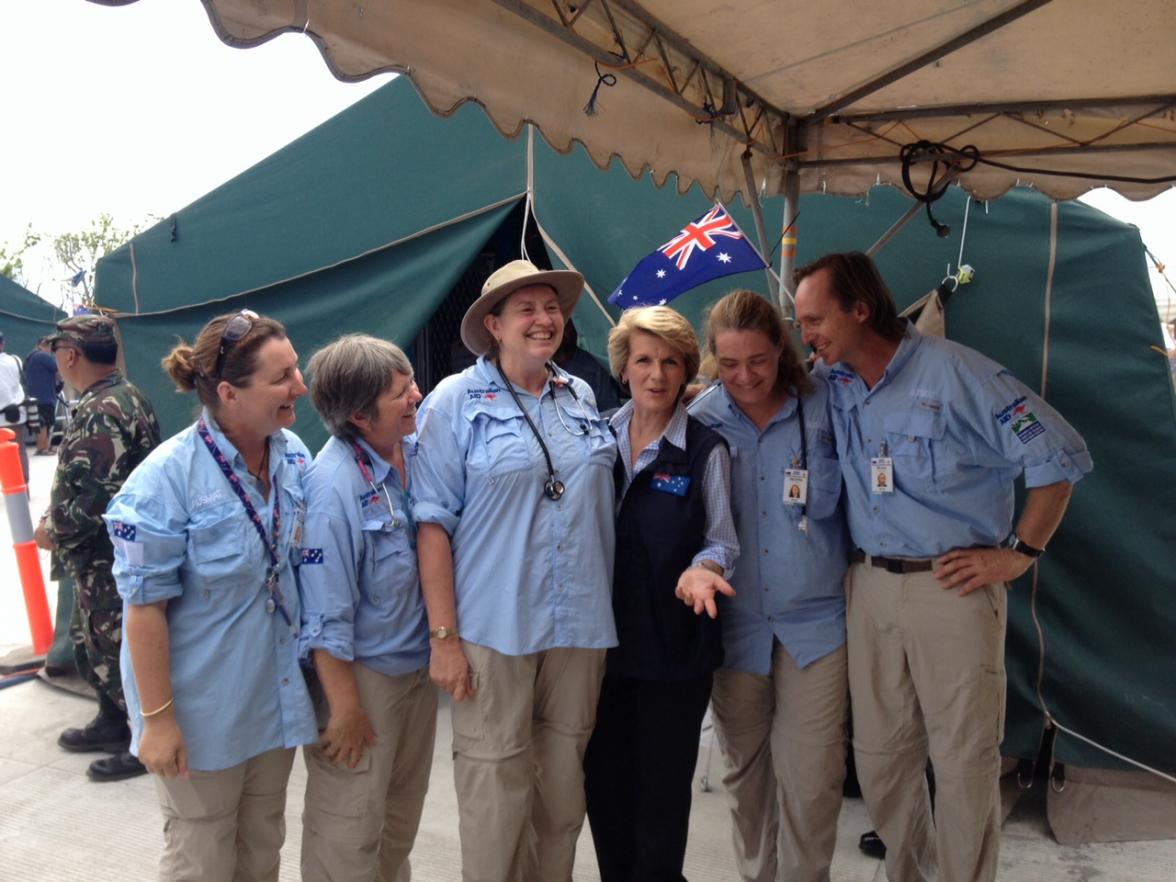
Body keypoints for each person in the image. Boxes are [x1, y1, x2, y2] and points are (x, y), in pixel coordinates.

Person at [794, 252, 1093, 882]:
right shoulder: (832, 382)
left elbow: (1058, 460)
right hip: (868, 584)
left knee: (962, 762)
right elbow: (747, 389)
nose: (806, 334)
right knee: (879, 759)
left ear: (860, 309)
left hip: (951, 588)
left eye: (814, 318)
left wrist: (1018, 555)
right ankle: (911, 871)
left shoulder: (963, 376)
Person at [413, 259, 617, 882]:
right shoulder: (454, 400)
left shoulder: (580, 394)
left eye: (551, 307)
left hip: (578, 624)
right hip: (494, 627)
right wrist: (443, 638)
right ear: (494, 325)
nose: (543, 319)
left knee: (561, 792)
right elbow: (431, 525)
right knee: (494, 788)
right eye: (526, 308)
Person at [105, 310, 317, 882]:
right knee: (201, 859)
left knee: (261, 847)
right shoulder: (163, 484)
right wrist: (159, 722)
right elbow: (144, 610)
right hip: (200, 717)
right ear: (229, 393)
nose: (300, 385)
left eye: (296, 368)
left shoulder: (293, 453)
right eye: (282, 377)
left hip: (271, 702)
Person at [689, 290, 850, 882]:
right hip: (734, 632)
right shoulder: (702, 421)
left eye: (757, 360)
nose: (745, 376)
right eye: (728, 364)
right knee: (745, 774)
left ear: (782, 350)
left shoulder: (826, 407)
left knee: (812, 777)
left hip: (817, 627)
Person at [583, 305, 738, 882]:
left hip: (673, 654)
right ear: (623, 367)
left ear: (686, 370)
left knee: (661, 797)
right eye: (643, 359)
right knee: (603, 789)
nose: (656, 374)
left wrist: (702, 567)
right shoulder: (593, 437)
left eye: (670, 361)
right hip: (600, 650)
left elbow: (722, 539)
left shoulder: (705, 450)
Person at [299, 334, 436, 882]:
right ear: (358, 415)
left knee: (397, 826)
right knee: (347, 835)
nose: (416, 397)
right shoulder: (331, 491)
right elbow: (323, 617)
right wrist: (345, 710)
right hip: (361, 685)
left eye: (411, 384)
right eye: (401, 392)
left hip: (416, 675)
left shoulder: (413, 450)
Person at [32, 315, 160, 781]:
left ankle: (142, 739)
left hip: (109, 557)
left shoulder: (103, 408)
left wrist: (51, 529)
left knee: (118, 644)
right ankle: (112, 720)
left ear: (70, 356)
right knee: (94, 643)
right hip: (107, 555)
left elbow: (93, 495)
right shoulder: (122, 396)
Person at [553, 317, 623, 412]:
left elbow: (610, 413)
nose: (562, 333)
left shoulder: (592, 370)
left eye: (566, 326)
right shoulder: (537, 368)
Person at [0, 330, 29, 481]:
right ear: (3, 344)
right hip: (17, 413)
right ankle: (23, 487)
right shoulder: (15, 360)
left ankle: (9, 485)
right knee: (19, 450)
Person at [25, 337, 59, 455]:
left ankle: (45, 446)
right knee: (44, 422)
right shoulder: (43, 356)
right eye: (49, 345)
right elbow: (56, 367)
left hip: (35, 395)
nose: (50, 348)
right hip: (44, 396)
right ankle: (42, 448)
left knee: (41, 422)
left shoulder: (31, 357)